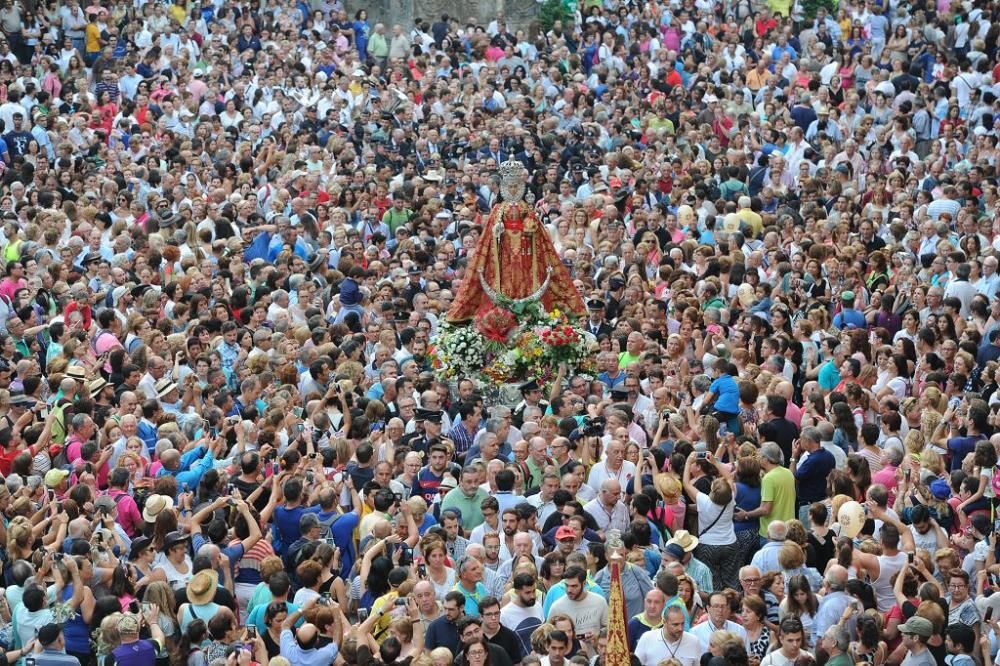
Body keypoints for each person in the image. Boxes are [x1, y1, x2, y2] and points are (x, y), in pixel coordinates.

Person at [634, 606, 700, 666]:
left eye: (682, 623)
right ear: (664, 622)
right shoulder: (647, 638)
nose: (680, 628)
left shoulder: (693, 641)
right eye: (675, 624)